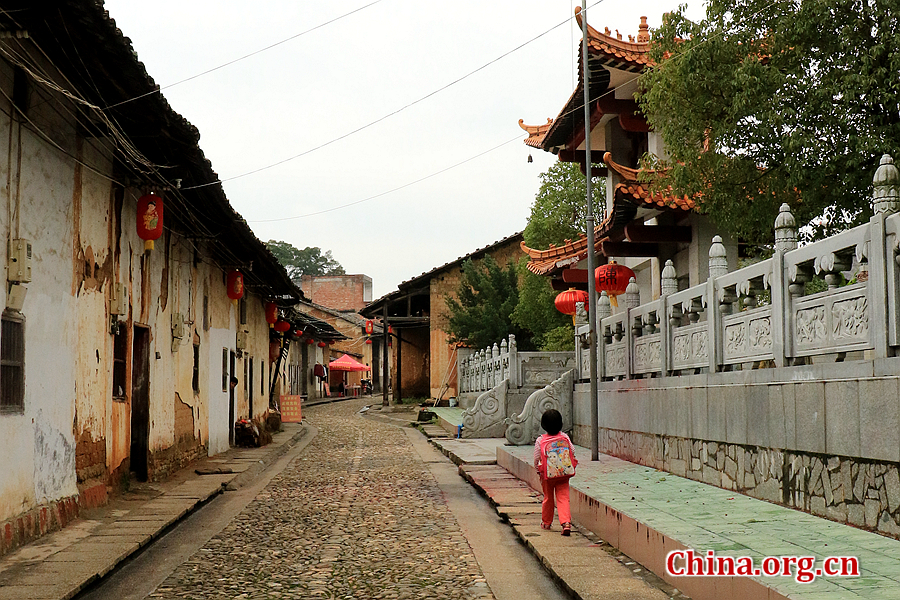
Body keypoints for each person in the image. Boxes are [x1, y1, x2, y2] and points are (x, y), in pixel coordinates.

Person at [533, 409, 577, 536]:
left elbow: (537, 457)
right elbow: (572, 451)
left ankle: (546, 522)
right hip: (564, 473)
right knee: (563, 497)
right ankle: (566, 523)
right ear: (561, 424)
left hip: (547, 475)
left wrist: (537, 469)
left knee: (548, 498)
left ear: (543, 425)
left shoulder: (540, 440)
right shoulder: (564, 437)